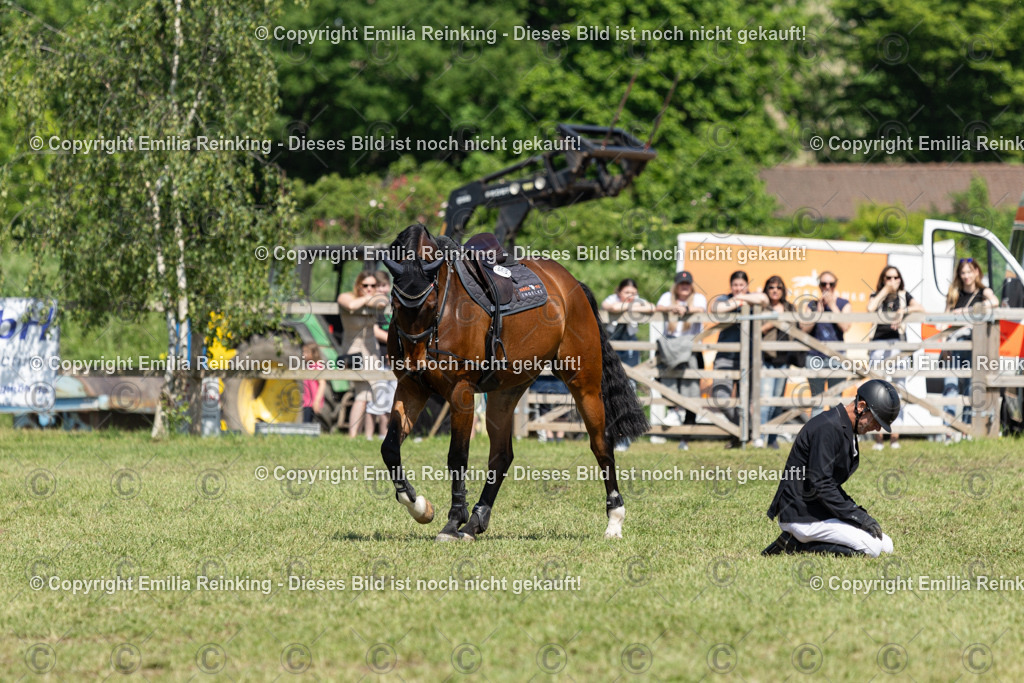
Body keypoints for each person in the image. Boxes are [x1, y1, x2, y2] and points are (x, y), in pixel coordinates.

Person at [762, 379, 901, 557]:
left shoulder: (845, 428)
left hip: (818, 508)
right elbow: (821, 484)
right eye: (876, 420)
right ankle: (796, 545)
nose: (877, 428)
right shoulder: (827, 428)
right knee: (871, 549)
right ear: (861, 406)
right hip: (801, 514)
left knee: (886, 545)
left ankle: (802, 542)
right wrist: (857, 517)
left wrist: (856, 512)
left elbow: (830, 485)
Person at [866, 266, 923, 450]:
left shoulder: (904, 296)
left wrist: (903, 312)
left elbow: (921, 308)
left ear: (900, 279)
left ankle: (895, 436)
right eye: (888, 277)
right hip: (878, 345)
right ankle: (878, 437)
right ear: (883, 279)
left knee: (898, 390)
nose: (892, 281)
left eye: (895, 277)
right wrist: (885, 291)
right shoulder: (877, 295)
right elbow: (870, 308)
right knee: (877, 390)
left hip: (898, 344)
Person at [942, 258, 999, 439]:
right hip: (954, 342)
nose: (966, 276)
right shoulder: (954, 294)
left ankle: (966, 429)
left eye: (969, 271)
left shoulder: (984, 291)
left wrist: (966, 312)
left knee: (970, 388)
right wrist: (943, 346)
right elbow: (945, 319)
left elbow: (995, 303)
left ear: (976, 272)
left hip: (974, 344)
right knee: (950, 386)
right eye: (963, 272)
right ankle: (948, 431)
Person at [710, 270, 763, 448]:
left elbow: (763, 299)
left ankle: (739, 437)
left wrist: (742, 299)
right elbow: (716, 309)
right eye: (735, 285)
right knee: (720, 397)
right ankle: (743, 431)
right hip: (725, 357)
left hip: (748, 359)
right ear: (730, 286)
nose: (738, 288)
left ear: (747, 286)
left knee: (746, 401)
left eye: (742, 285)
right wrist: (740, 300)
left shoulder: (754, 298)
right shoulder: (723, 299)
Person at [655, 271, 707, 450]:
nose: (684, 286)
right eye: (681, 283)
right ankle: (673, 410)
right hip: (670, 349)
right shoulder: (666, 297)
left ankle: (686, 437)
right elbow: (658, 307)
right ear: (676, 285)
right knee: (663, 383)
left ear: (691, 285)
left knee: (691, 392)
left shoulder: (698, 298)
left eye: (687, 283)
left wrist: (685, 310)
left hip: (691, 349)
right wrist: (672, 308)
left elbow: (701, 309)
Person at [337, 270, 389, 439]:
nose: (369, 288)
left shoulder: (376, 300)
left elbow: (383, 303)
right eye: (365, 285)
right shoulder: (346, 297)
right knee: (362, 393)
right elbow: (350, 305)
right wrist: (368, 299)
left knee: (374, 392)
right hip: (353, 352)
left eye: (373, 286)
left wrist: (369, 299)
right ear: (358, 285)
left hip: (372, 352)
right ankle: (354, 435)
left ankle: (369, 435)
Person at [751, 275, 796, 450]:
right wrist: (771, 323)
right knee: (765, 400)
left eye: (778, 287)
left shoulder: (790, 308)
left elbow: (797, 329)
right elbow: (755, 331)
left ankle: (772, 438)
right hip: (767, 358)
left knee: (777, 402)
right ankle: (759, 437)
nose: (775, 290)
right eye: (771, 287)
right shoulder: (762, 308)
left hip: (784, 359)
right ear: (766, 290)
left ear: (783, 290)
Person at [799, 271, 853, 417]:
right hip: (815, 356)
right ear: (819, 285)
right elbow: (804, 328)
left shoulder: (843, 304)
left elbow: (845, 326)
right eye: (824, 284)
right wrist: (818, 312)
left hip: (837, 357)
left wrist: (832, 306)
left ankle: (836, 438)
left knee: (836, 402)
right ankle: (815, 438)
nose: (827, 287)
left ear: (836, 285)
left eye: (831, 284)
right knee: (817, 401)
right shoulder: (812, 304)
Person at [367, 270, 397, 439]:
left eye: (384, 286)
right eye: (378, 286)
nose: (381, 290)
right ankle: (373, 434)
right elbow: (375, 331)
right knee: (377, 396)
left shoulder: (392, 304)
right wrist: (393, 342)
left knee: (391, 396)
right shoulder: (375, 308)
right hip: (378, 354)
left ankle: (385, 434)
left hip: (392, 356)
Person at [602, 278, 656, 367]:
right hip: (611, 338)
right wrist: (634, 307)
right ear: (619, 292)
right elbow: (613, 308)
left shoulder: (637, 300)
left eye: (633, 293)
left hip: (630, 340)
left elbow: (652, 307)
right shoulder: (612, 298)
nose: (630, 296)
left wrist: (628, 308)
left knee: (632, 370)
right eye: (626, 292)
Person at [301, 343, 326, 425]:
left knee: (314, 426)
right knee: (306, 424)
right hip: (307, 402)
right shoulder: (309, 367)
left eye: (306, 352)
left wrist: (317, 401)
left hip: (314, 403)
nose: (304, 354)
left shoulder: (317, 366)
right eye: (303, 352)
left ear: (314, 352)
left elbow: (322, 384)